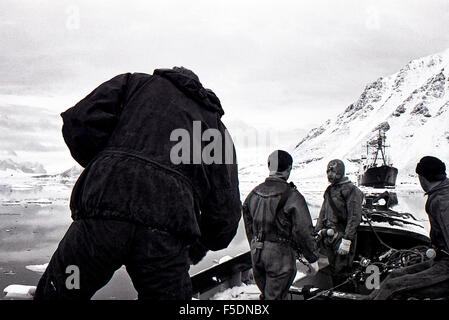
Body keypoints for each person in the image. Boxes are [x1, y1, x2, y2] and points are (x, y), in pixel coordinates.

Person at [34, 67, 241, 300]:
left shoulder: (132, 84)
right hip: (165, 237)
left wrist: (106, 166)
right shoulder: (215, 127)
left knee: (61, 292)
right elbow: (226, 211)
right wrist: (198, 246)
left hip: (102, 218)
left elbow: (78, 122)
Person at [368, 156, 449, 300]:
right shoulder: (442, 193)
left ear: (422, 178)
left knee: (392, 287)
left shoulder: (441, 201)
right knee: (394, 274)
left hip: (446, 266)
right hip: (440, 260)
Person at [242, 150, 319, 300]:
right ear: (289, 168)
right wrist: (313, 258)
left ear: (269, 166)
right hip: (280, 257)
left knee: (266, 295)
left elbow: (247, 221)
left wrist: (254, 243)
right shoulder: (292, 196)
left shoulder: (254, 193)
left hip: (257, 253)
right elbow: (303, 231)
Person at [315, 159, 364, 285]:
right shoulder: (329, 191)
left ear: (341, 172)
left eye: (333, 171)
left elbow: (354, 217)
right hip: (328, 236)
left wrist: (347, 241)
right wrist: (316, 232)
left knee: (342, 272)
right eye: (328, 171)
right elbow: (322, 213)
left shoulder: (352, 190)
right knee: (331, 270)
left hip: (342, 237)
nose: (330, 174)